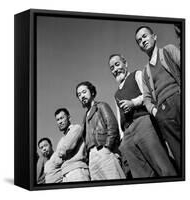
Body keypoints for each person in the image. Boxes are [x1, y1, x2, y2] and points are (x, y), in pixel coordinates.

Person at [108, 54, 177, 178]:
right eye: (112, 68)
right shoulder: (116, 94)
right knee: (141, 174)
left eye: (117, 64)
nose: (115, 69)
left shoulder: (137, 75)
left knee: (161, 164)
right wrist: (123, 137)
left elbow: (147, 95)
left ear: (125, 63)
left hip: (143, 122)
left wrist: (133, 103)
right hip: (127, 134)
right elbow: (119, 116)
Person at [135, 26, 181, 172]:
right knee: (180, 153)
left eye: (144, 36)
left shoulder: (168, 50)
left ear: (154, 37)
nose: (142, 41)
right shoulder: (145, 71)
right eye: (139, 40)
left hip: (180, 99)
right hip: (163, 112)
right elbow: (147, 98)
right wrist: (155, 112)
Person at [76, 81, 126, 180]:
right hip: (92, 158)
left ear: (92, 92)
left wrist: (107, 147)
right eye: (79, 94)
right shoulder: (84, 117)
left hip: (103, 150)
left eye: (84, 92)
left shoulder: (101, 106)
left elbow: (112, 126)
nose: (82, 96)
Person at [44, 108, 90, 183]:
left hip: (77, 170)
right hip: (65, 174)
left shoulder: (76, 128)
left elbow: (65, 149)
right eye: (58, 120)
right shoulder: (62, 140)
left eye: (62, 118)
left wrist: (55, 159)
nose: (60, 122)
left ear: (69, 118)